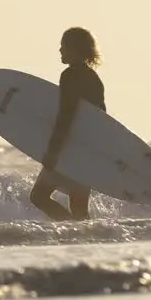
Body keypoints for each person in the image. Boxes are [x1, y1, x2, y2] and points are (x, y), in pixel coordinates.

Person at [30, 27, 105, 221]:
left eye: (64, 46)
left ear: (74, 49)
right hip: (87, 150)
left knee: (38, 196)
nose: (60, 50)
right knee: (79, 209)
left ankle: (70, 231)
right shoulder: (94, 78)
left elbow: (66, 115)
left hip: (69, 151)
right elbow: (102, 119)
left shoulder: (70, 75)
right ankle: (84, 238)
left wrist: (54, 151)